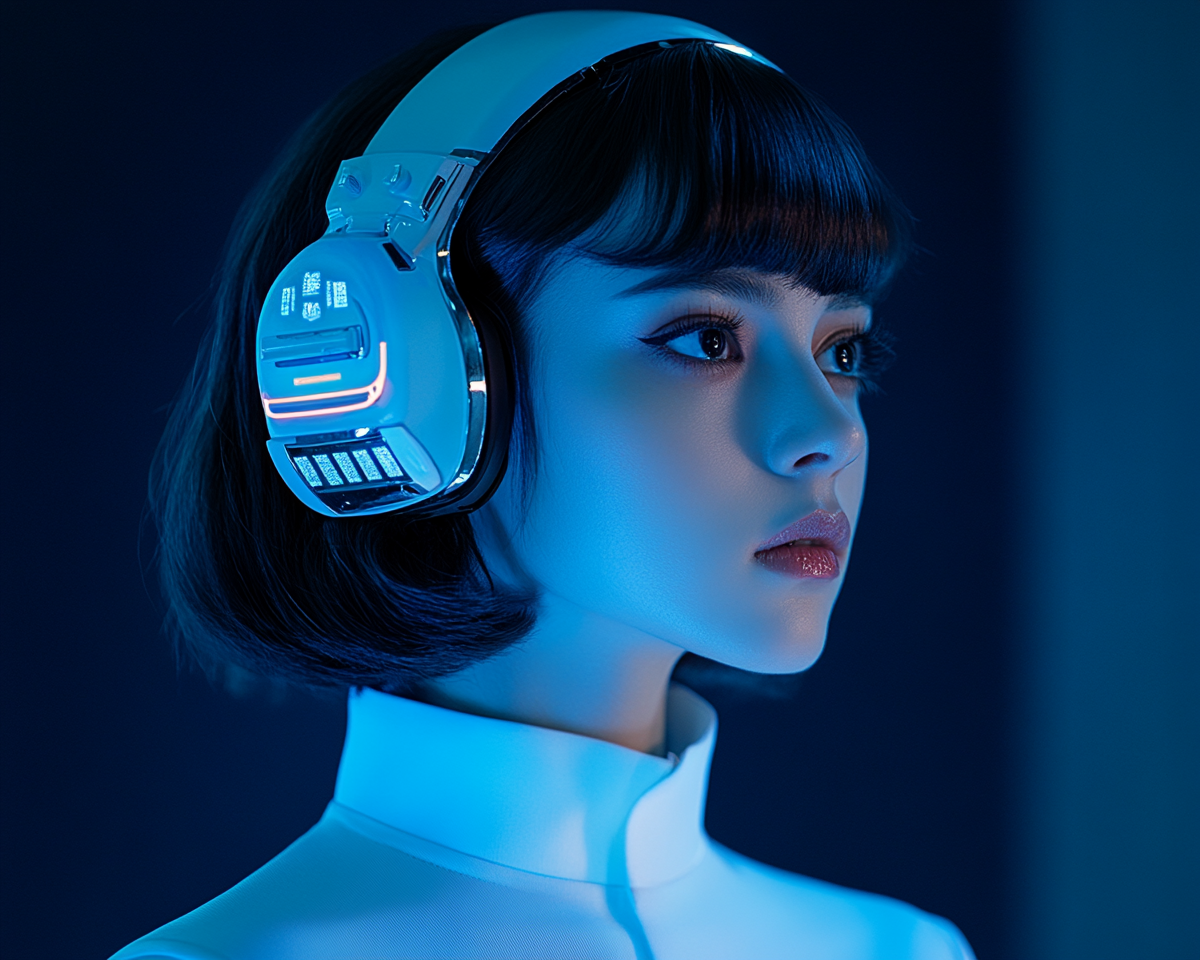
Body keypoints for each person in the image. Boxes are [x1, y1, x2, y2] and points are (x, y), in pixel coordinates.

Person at [114, 12, 975, 959]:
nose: (831, 432)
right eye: (706, 337)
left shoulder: (901, 951)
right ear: (407, 373)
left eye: (841, 349)